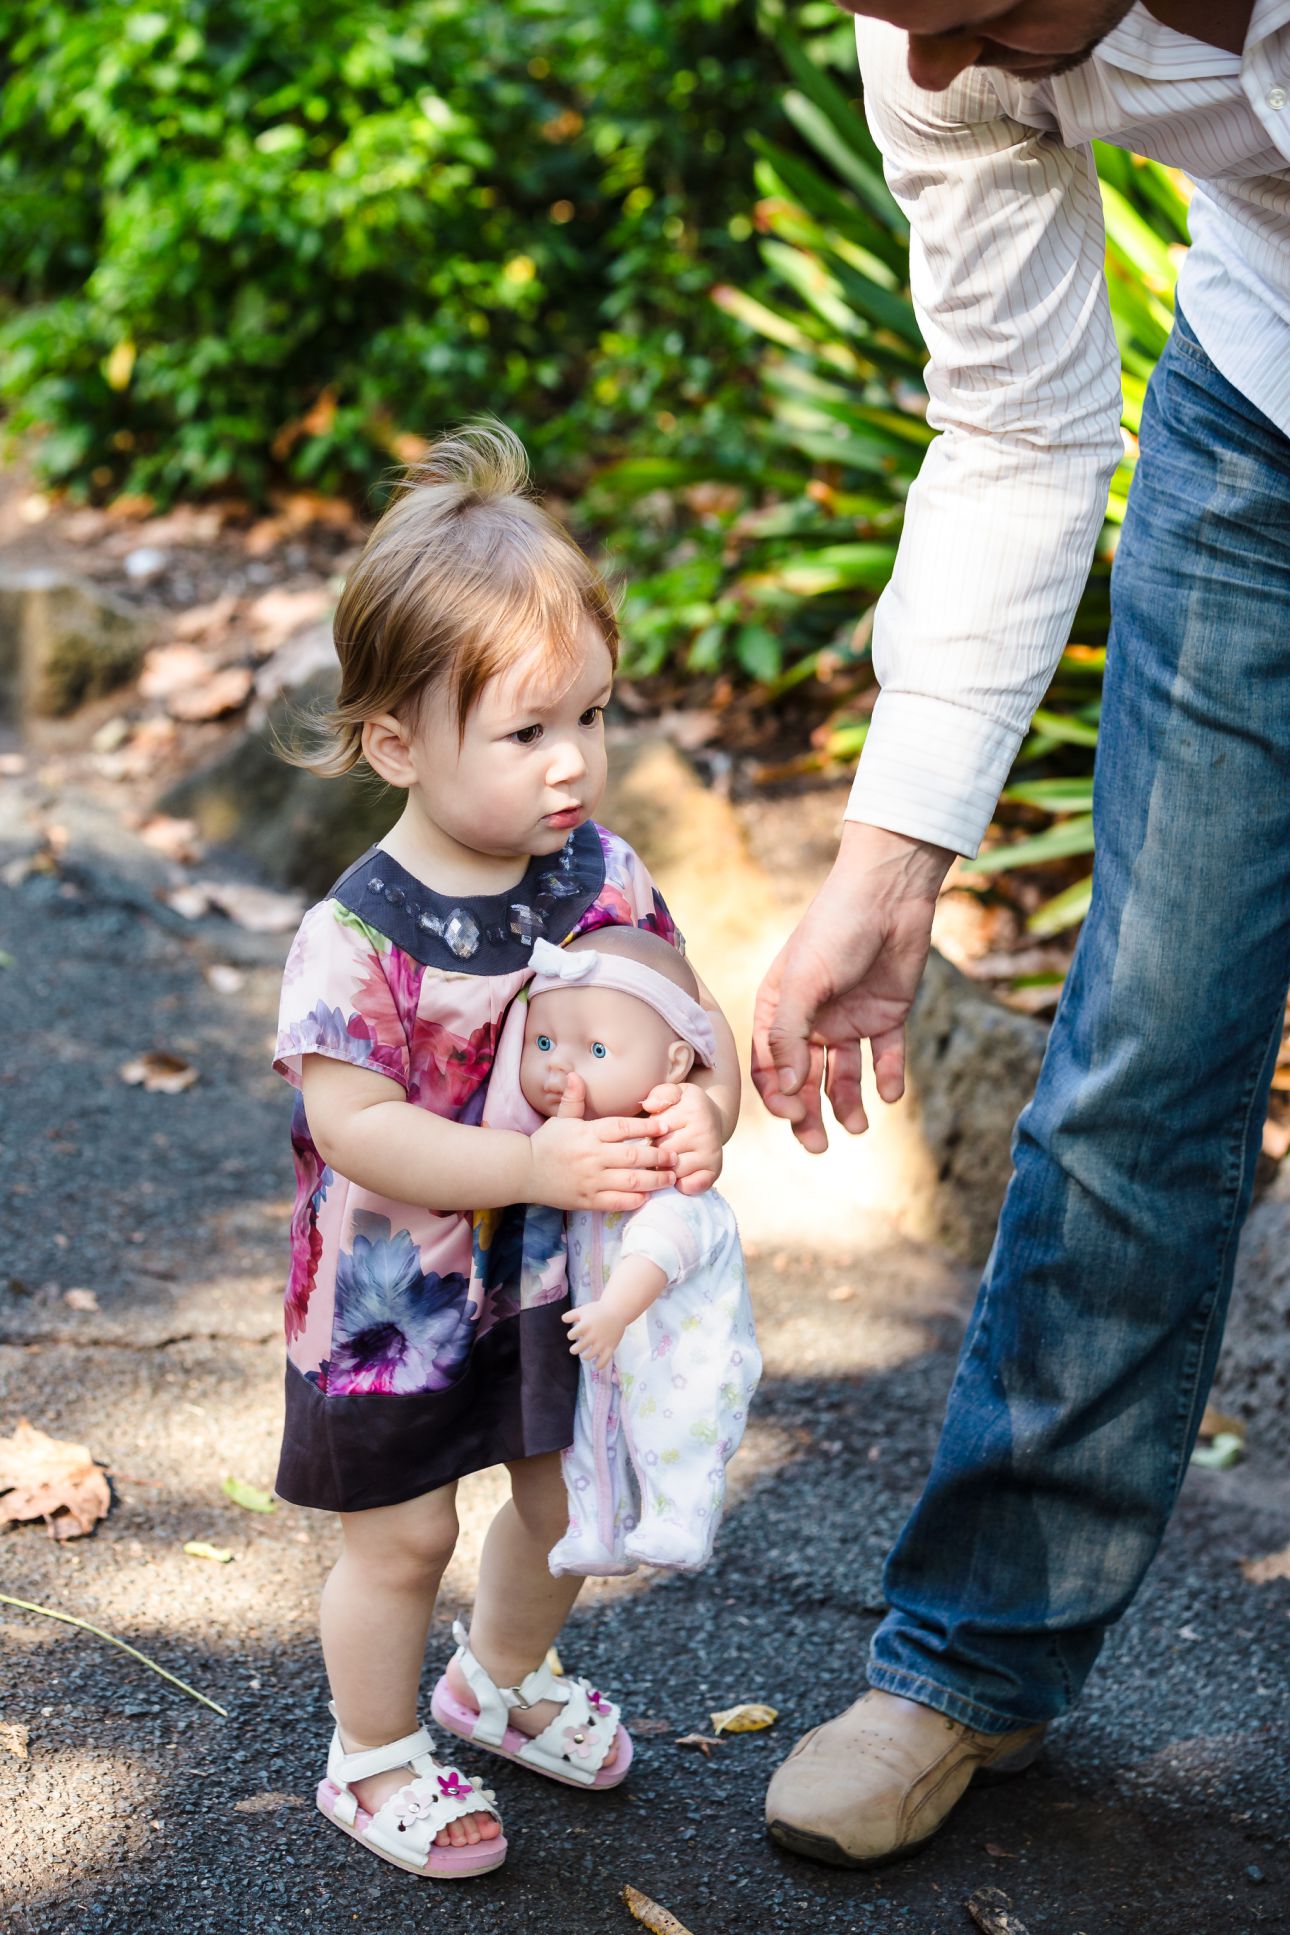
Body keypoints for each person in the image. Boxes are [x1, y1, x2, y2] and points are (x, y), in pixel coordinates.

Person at [755, 0, 1290, 1870]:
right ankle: (969, 1663)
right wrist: (886, 870)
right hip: (1262, 424)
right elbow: (1009, 422)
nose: (923, 63)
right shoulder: (940, 36)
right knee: (1140, 1047)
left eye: (968, 7)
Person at [272, 422, 739, 1878]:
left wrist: (698, 1107)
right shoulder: (353, 936)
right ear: (397, 743)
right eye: (528, 732)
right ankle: (374, 1753)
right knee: (400, 1537)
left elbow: (687, 1017)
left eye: (591, 718)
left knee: (558, 1503)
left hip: (561, 1276)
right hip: (393, 1300)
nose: (574, 764)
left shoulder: (602, 875)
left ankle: (500, 1682)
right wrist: (537, 1167)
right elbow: (356, 1127)